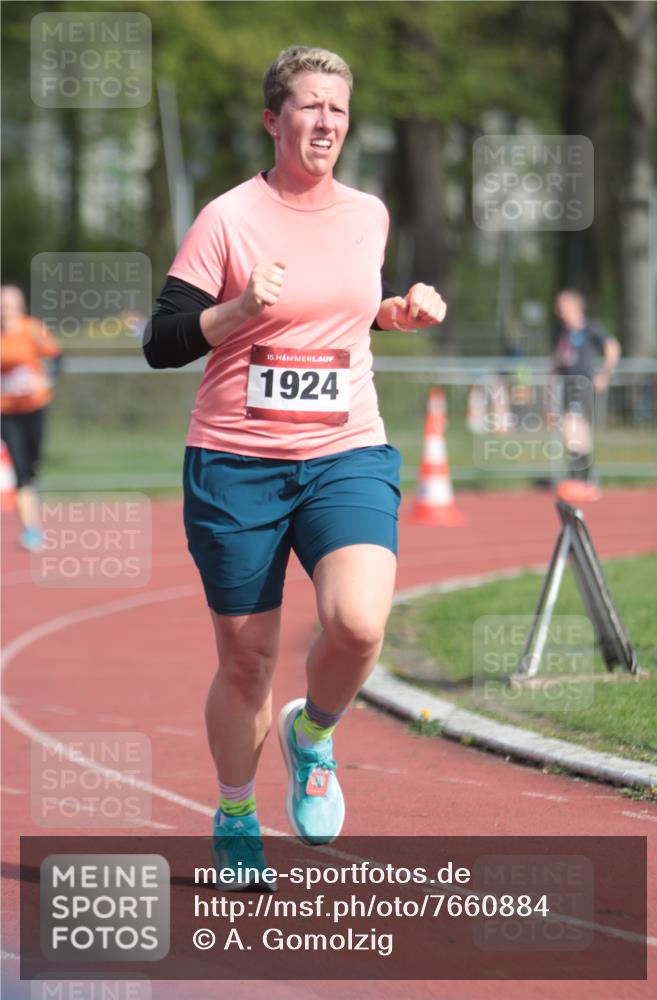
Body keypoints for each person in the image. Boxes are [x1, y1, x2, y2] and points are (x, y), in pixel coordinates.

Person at [144, 46, 446, 889]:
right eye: (310, 107)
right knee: (247, 660)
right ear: (274, 119)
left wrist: (394, 312)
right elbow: (160, 343)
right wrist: (238, 308)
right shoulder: (228, 218)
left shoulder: (368, 214)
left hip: (344, 450)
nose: (325, 124)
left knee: (356, 623)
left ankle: (312, 734)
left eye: (338, 112)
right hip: (236, 463)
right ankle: (236, 811)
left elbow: (338, 319)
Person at [1, 284, 61, 550]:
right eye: (2, 305)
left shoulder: (32, 329)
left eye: (11, 304)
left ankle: (32, 496)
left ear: (20, 306)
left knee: (33, 464)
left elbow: (56, 355)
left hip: (35, 407)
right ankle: (32, 531)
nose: (6, 310)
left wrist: (47, 379)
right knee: (20, 468)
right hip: (6, 411)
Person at [552, 289, 620, 502]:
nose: (560, 312)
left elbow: (612, 347)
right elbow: (558, 360)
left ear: (575, 307)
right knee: (573, 432)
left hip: (582, 386)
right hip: (566, 385)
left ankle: (580, 477)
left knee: (574, 426)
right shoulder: (563, 333)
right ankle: (585, 476)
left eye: (563, 307)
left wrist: (604, 374)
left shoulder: (591, 329)